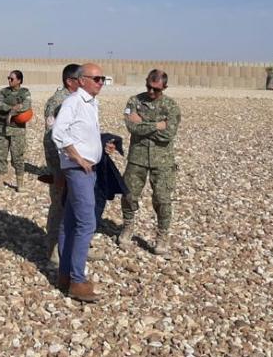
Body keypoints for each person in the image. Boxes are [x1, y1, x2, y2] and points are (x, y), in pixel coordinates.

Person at [51, 63, 108, 302]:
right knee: (87, 223)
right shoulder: (73, 102)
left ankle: (64, 276)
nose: (101, 83)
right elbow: (58, 133)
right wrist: (77, 158)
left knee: (71, 222)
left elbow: (82, 134)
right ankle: (77, 280)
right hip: (78, 170)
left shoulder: (91, 104)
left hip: (87, 168)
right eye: (96, 79)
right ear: (82, 80)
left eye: (102, 79)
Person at [119, 69, 182, 255]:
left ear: (165, 87)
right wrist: (157, 124)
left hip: (162, 161)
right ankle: (128, 226)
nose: (151, 92)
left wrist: (144, 124)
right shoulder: (134, 101)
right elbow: (131, 126)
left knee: (162, 199)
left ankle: (162, 235)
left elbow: (168, 134)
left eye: (156, 89)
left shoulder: (171, 106)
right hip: (137, 158)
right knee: (129, 195)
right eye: (149, 87)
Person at [41, 63, 82, 263]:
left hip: (76, 162)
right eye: (80, 79)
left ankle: (76, 245)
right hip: (62, 163)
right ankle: (53, 247)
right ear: (69, 81)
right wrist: (57, 170)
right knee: (59, 203)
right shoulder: (57, 102)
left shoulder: (80, 100)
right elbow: (50, 137)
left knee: (76, 204)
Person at [0, 70, 31, 191]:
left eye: (12, 79)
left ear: (19, 80)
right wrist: (12, 109)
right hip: (2, 128)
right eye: (8, 78)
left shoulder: (25, 92)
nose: (9, 80)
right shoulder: (3, 92)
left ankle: (20, 183)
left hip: (17, 130)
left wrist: (13, 111)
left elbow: (27, 105)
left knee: (17, 156)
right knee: (0, 154)